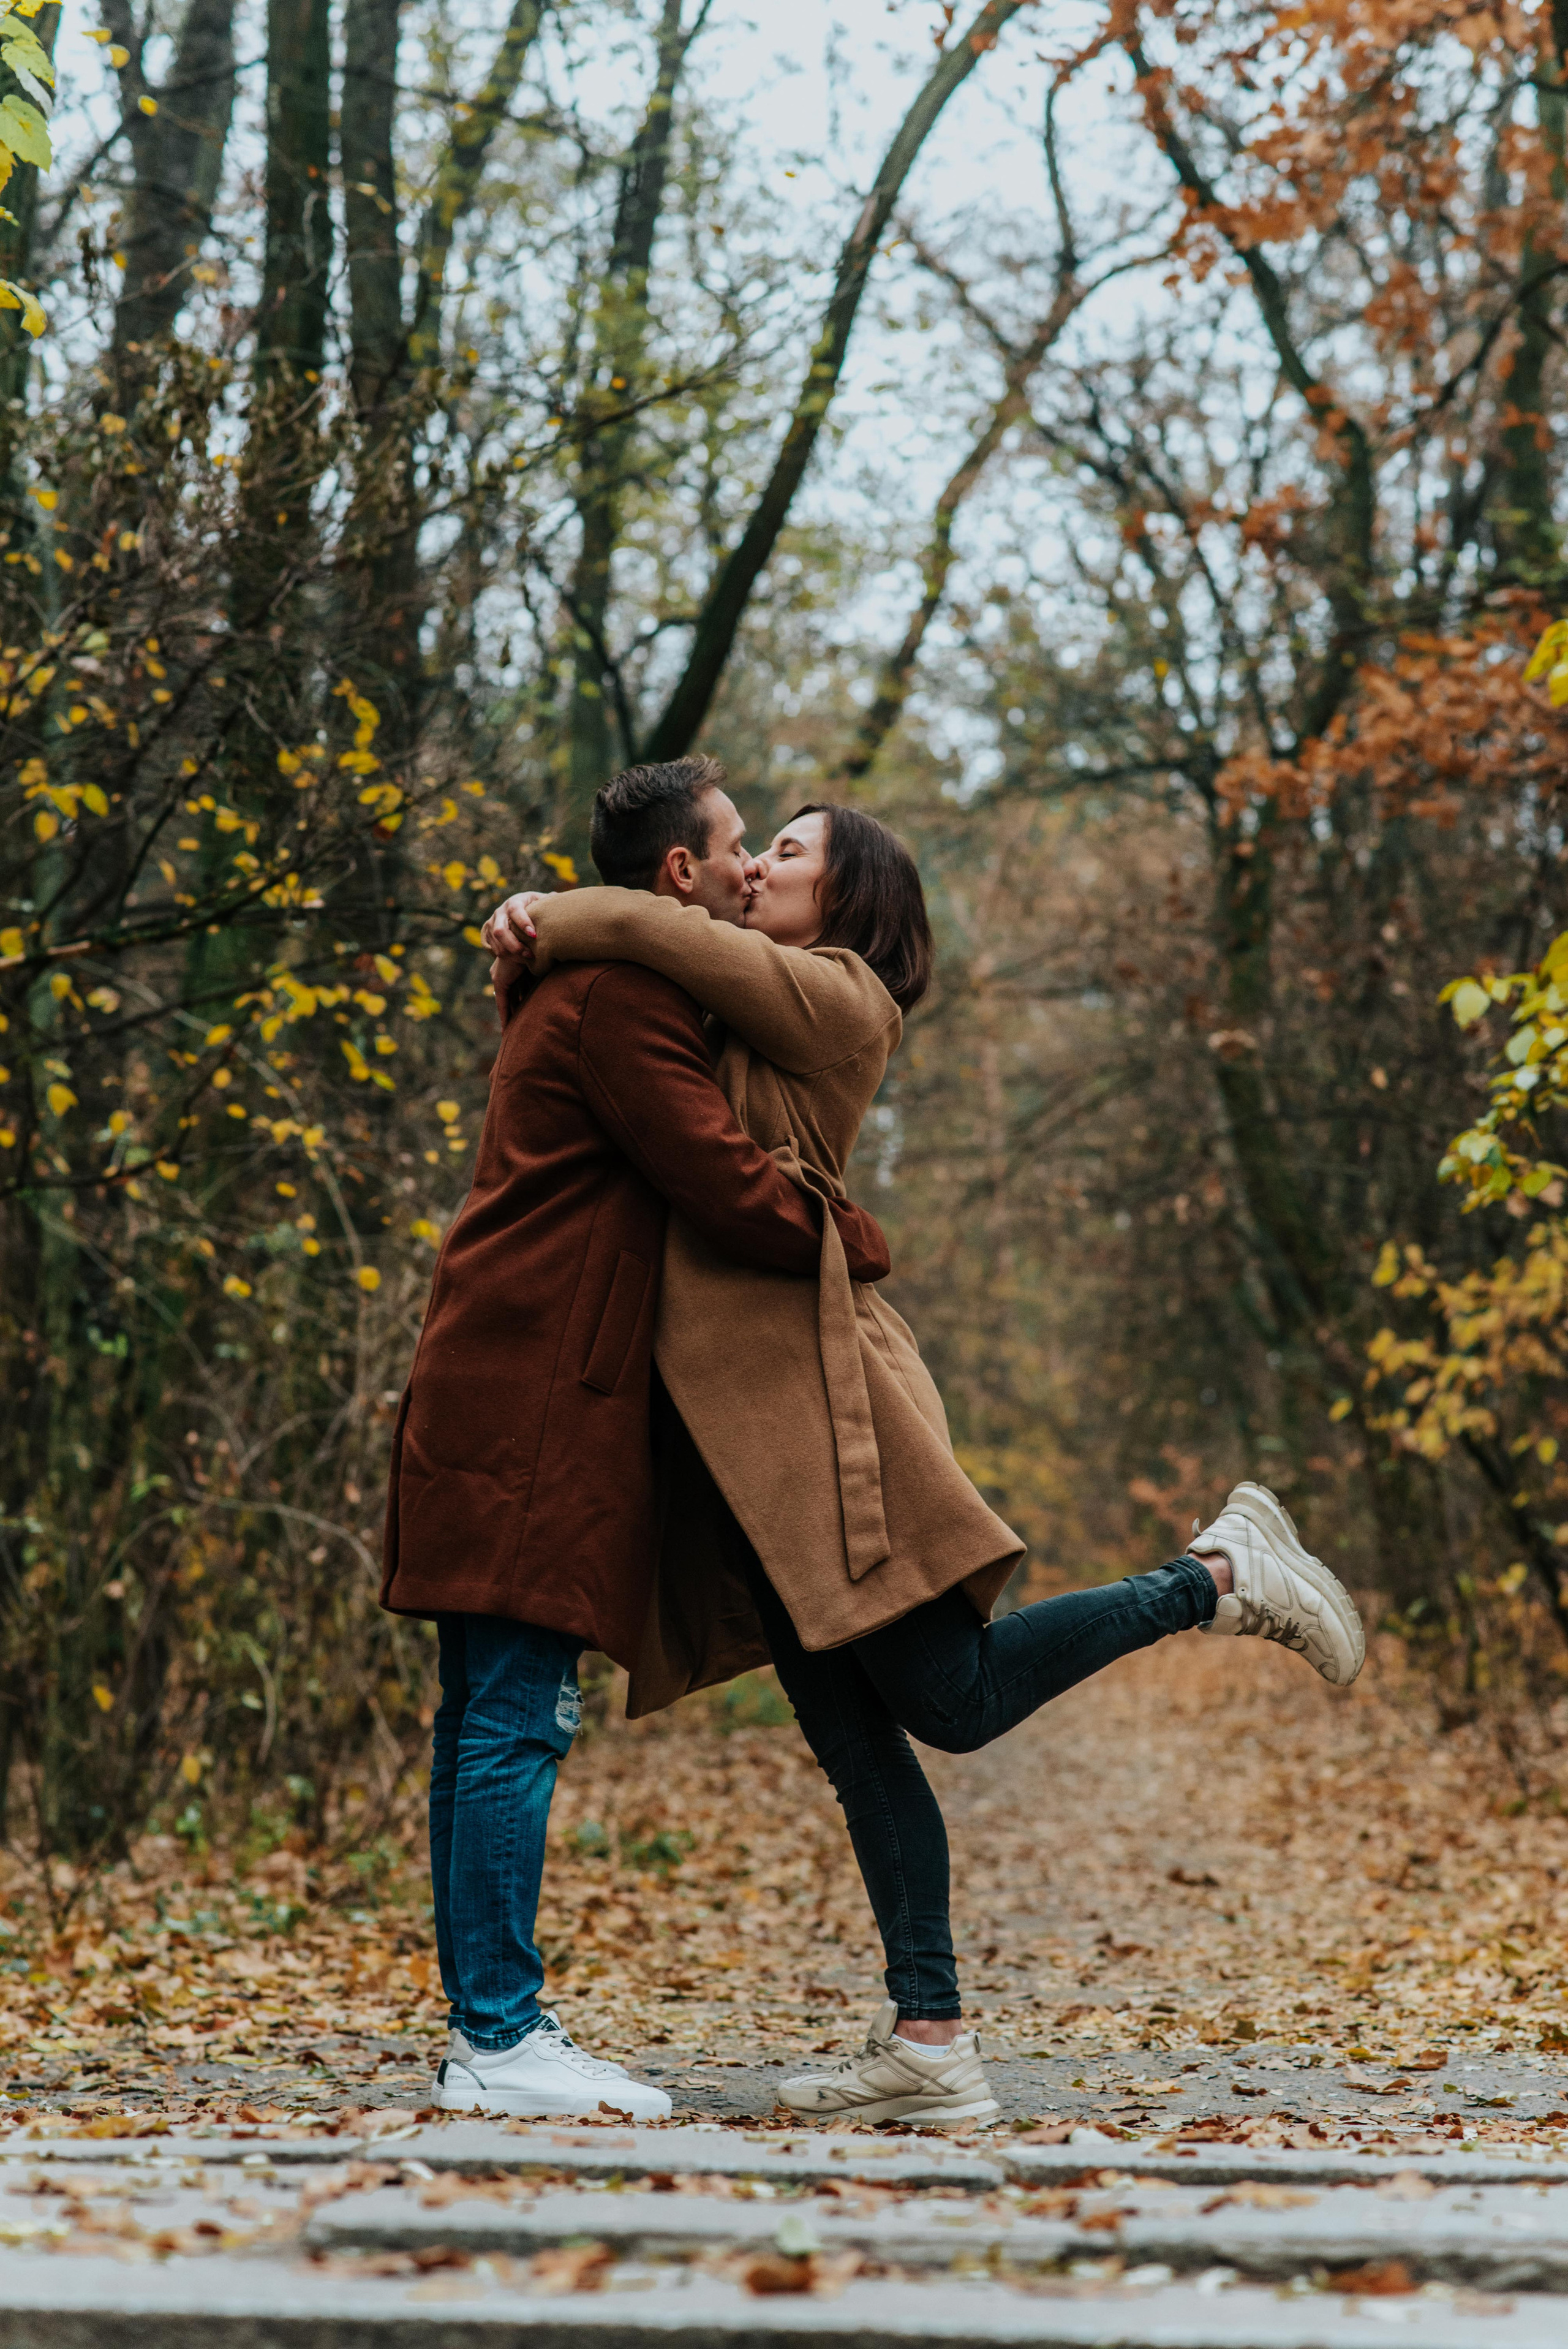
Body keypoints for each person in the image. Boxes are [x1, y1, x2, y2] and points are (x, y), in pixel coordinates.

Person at [483, 774, 1366, 2132]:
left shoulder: (844, 998)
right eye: (751, 848)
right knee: (856, 1742)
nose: (757, 866)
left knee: (950, 1699)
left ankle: (1213, 1575)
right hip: (751, 1451)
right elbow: (625, 1049)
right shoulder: (732, 1005)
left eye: (787, 851)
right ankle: (930, 2041)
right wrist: (530, 959)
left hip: (830, 1419)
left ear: (848, 896)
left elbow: (660, 931)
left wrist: (547, 910)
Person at [380, 753, 895, 2121]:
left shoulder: (592, 979)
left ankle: (485, 2030)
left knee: (482, 1712)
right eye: (738, 847)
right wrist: (850, 1238)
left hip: (508, 1369)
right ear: (681, 870)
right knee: (513, 1713)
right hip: (536, 1386)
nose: (749, 867)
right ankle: (500, 2036)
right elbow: (722, 1183)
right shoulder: (623, 998)